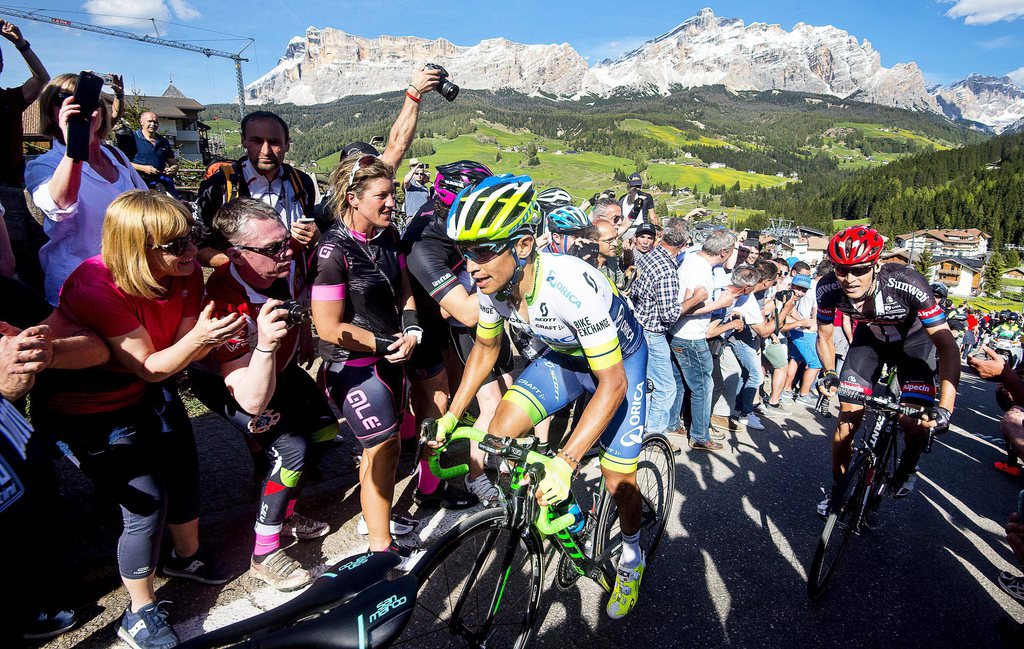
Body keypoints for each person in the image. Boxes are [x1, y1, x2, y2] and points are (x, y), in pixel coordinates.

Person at [432, 172, 652, 620]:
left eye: (483, 250)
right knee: (499, 434)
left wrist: (566, 461)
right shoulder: (495, 285)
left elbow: (613, 385)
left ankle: (632, 557)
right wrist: (452, 416)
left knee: (617, 480)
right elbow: (486, 348)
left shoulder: (568, 287)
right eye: (464, 253)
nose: (471, 266)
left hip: (619, 366)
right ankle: (568, 519)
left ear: (524, 245)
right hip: (567, 360)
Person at [37, 190, 241, 648]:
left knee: (183, 471)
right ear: (136, 247)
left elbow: (182, 345)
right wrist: (202, 339)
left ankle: (184, 558)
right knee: (145, 506)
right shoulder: (95, 284)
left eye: (192, 237)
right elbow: (151, 363)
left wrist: (204, 337)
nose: (192, 251)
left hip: (148, 390)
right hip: (91, 406)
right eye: (176, 245)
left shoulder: (184, 272)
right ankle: (140, 612)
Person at [190, 198, 342, 591]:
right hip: (237, 381)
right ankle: (264, 551)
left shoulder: (286, 264)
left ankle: (284, 510)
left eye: (285, 240)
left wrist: (302, 337)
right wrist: (269, 347)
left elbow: (302, 297)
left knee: (325, 429)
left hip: (278, 366)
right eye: (273, 248)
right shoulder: (224, 304)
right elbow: (251, 400)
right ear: (236, 255)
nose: (287, 251)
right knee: (291, 449)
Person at [310, 155, 422, 566]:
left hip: (393, 356)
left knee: (386, 450)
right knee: (381, 448)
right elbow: (326, 326)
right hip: (353, 366)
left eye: (394, 192)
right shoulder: (331, 251)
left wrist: (413, 330)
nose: (392, 201)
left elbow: (404, 289)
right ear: (353, 198)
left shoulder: (387, 236)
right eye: (383, 195)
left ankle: (376, 521)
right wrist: (384, 344)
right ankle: (379, 547)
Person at [814, 226, 959, 517]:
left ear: (876, 264)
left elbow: (947, 347)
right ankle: (839, 490)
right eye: (841, 270)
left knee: (912, 421)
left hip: (915, 343)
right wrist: (829, 371)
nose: (849, 278)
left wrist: (945, 408)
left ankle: (907, 467)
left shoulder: (907, 282)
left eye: (859, 269)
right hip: (870, 341)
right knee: (846, 421)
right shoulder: (828, 287)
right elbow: (825, 335)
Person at [403, 159, 512, 507]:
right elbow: (465, 313)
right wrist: (511, 288)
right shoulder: (425, 246)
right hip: (425, 330)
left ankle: (460, 471)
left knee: (472, 401)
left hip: (445, 322)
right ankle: (449, 483)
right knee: (437, 407)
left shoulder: (440, 217)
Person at [26, 73, 147, 305]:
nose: (83, 110)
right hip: (79, 287)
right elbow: (59, 207)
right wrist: (75, 144)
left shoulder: (116, 157)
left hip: (129, 281)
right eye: (65, 100)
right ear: (52, 111)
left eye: (92, 102)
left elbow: (145, 204)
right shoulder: (44, 165)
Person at [196, 110, 321, 267]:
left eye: (274, 142)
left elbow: (311, 234)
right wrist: (247, 264)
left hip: (294, 283)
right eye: (257, 141)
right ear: (244, 140)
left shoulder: (302, 182)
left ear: (287, 144)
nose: (266, 151)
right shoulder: (220, 185)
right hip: (241, 287)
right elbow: (198, 248)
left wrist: (316, 239)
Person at [629, 219, 701, 437]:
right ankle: (653, 437)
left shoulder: (649, 257)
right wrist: (696, 299)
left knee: (649, 386)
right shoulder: (666, 270)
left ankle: (641, 432)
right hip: (653, 333)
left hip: (638, 327)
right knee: (666, 388)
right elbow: (668, 314)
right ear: (685, 243)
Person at [670, 228, 739, 451]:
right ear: (724, 251)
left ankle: (673, 424)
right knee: (703, 385)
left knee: (679, 383)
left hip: (678, 333)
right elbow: (687, 307)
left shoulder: (691, 259)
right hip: (691, 336)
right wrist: (721, 303)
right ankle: (700, 436)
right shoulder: (701, 270)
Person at [0, 19, 49, 294]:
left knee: (21, 261)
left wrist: (21, 44)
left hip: (11, 189)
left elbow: (42, 79)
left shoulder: (10, 99)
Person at [784, 273, 822, 406]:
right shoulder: (786, 296)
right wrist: (804, 324)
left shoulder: (793, 297)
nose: (801, 292)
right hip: (802, 332)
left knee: (796, 358)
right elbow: (783, 315)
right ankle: (803, 394)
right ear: (792, 285)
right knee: (816, 363)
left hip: (800, 330)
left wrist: (801, 321)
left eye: (804, 290)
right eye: (798, 288)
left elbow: (793, 312)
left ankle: (786, 389)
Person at [131, 111, 179, 197]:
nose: (153, 124)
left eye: (155, 122)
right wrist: (143, 168)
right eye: (150, 121)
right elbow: (123, 162)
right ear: (141, 122)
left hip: (160, 183)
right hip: (137, 183)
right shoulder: (132, 139)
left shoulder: (163, 141)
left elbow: (174, 163)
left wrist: (172, 169)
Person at [619, 172, 657, 236]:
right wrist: (656, 231)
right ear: (640, 184)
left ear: (628, 184)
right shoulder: (646, 197)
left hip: (624, 231)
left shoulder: (622, 198)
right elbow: (653, 218)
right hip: (641, 230)